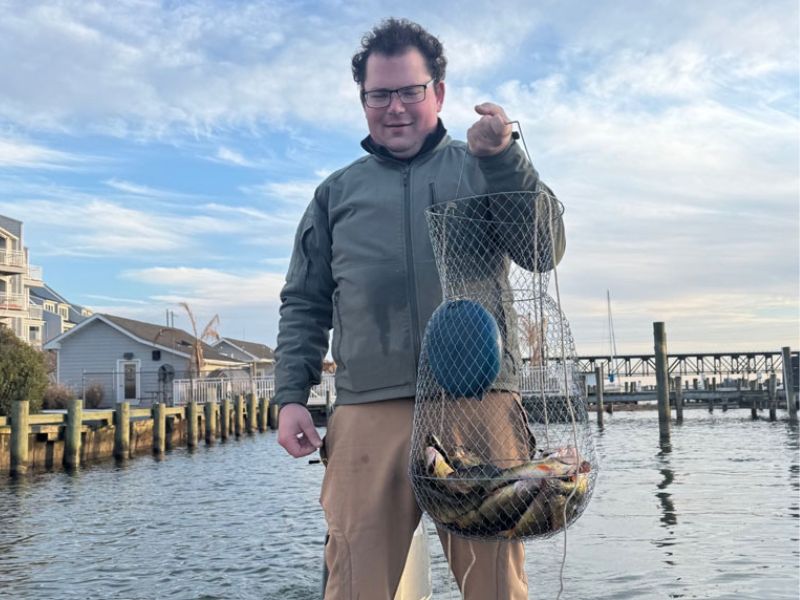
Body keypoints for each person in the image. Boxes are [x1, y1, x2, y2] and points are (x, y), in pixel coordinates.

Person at [273, 18, 565, 599]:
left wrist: (504, 158)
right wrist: (290, 397)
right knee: (357, 582)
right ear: (362, 101)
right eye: (380, 94)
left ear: (439, 93)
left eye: (411, 90)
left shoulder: (482, 163)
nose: (396, 107)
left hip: (476, 407)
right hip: (366, 413)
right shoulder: (335, 194)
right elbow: (304, 302)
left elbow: (542, 250)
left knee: (497, 586)